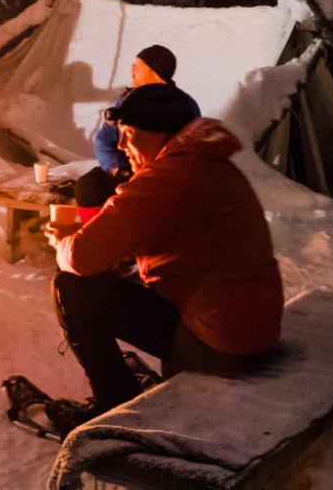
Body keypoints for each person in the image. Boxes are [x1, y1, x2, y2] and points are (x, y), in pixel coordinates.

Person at [41, 83, 284, 434]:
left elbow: (80, 258)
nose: (122, 146)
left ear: (159, 134)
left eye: (129, 134)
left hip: (221, 343)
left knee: (73, 287)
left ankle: (112, 404)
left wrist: (64, 240)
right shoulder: (207, 162)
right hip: (251, 327)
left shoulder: (170, 175)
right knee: (122, 281)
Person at [78, 45, 201, 217]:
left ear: (155, 68)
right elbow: (104, 139)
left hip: (165, 177)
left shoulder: (181, 105)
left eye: (137, 64)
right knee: (91, 184)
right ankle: (91, 231)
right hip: (128, 171)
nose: (132, 69)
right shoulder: (127, 101)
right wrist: (117, 168)